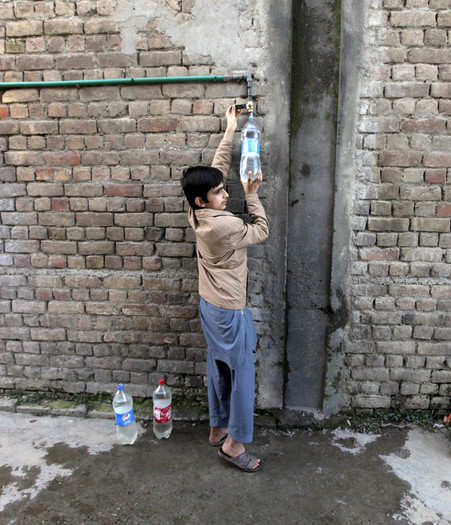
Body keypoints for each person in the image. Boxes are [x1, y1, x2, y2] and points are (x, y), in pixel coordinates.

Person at [181, 105, 269, 472]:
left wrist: (230, 130)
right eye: (219, 193)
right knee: (243, 377)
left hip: (209, 306)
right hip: (231, 312)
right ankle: (234, 445)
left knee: (219, 367)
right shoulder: (224, 226)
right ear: (204, 201)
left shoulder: (194, 212)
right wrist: (252, 194)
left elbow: (215, 170)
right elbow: (261, 230)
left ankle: (217, 427)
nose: (225, 194)